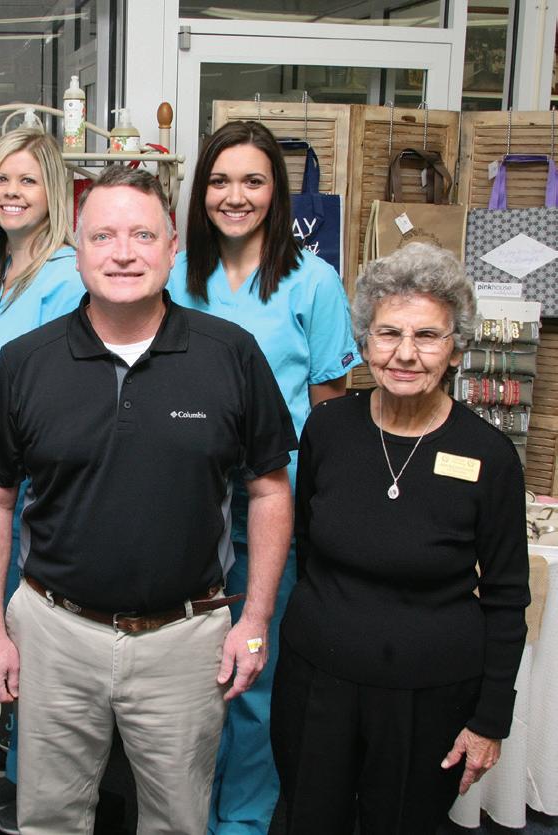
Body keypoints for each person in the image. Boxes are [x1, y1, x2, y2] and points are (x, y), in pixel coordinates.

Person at [0, 165, 297, 835]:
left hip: (184, 639)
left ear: (172, 248)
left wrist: (255, 618)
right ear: (78, 250)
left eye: (142, 235)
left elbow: (268, 489)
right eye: (103, 236)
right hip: (54, 634)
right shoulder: (24, 362)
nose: (122, 253)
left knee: (176, 820)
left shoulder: (230, 355)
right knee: (49, 820)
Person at [270, 242, 530, 834]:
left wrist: (490, 720)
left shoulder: (489, 456)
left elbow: (507, 596)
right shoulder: (328, 429)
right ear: (365, 342)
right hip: (316, 685)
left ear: (456, 348)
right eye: (388, 333)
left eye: (428, 336)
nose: (405, 354)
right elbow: (307, 545)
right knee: (308, 821)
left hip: (430, 697)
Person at [166, 119, 359, 835]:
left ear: (277, 192)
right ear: (200, 192)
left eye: (253, 180)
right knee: (185, 682)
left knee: (252, 674)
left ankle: (243, 821)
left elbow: (328, 411)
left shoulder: (314, 282)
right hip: (185, 510)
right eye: (220, 180)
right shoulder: (175, 277)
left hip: (272, 511)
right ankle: (186, 814)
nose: (235, 196)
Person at [0, 127, 83, 832]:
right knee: (4, 635)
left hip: (40, 491)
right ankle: (16, 773)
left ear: (55, 193)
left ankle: (44, 793)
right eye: (0, 179)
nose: (11, 192)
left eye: (28, 179)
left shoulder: (66, 277)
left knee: (38, 640)